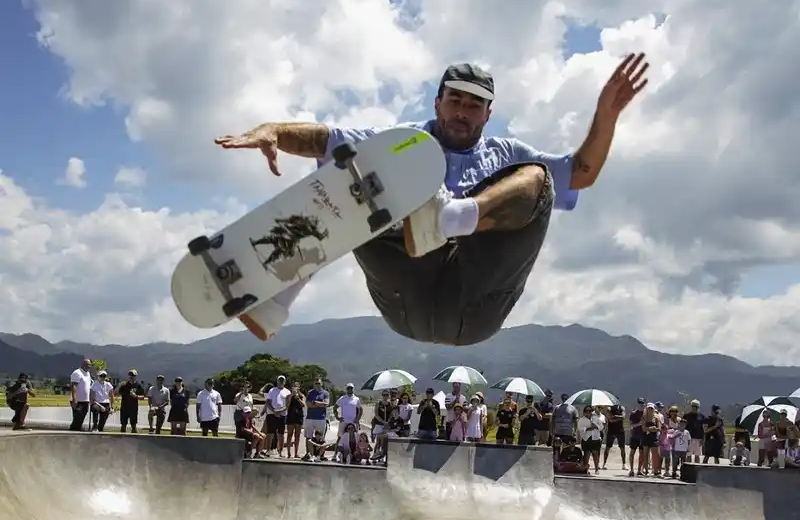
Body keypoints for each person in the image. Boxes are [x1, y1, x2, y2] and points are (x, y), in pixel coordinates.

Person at [215, 55, 649, 345]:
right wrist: (272, 129)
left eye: (474, 106)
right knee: (364, 163)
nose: (462, 112)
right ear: (438, 101)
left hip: (477, 302)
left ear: (488, 114)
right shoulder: (403, 142)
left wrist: (606, 116)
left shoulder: (505, 153)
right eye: (455, 101)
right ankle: (279, 295)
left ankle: (453, 217)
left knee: (537, 178)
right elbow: (324, 139)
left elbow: (581, 173)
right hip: (406, 292)